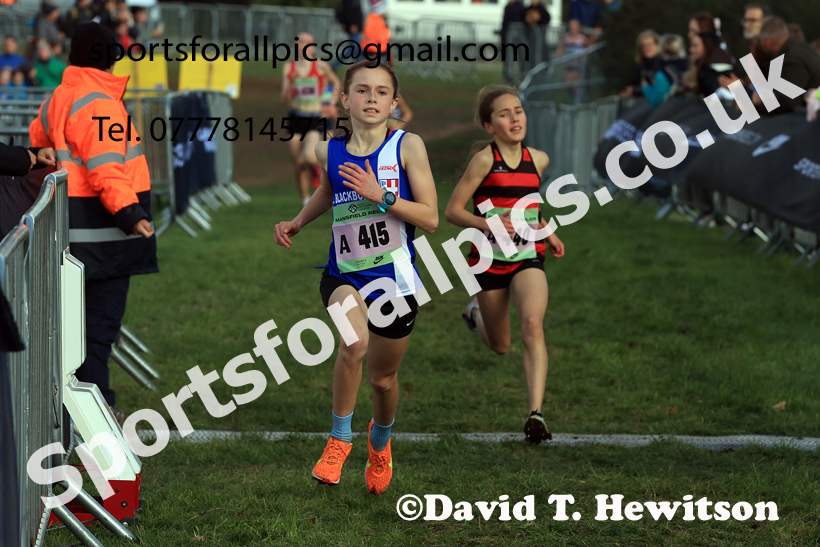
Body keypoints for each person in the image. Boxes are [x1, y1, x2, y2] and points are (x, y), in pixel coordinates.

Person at [273, 61, 438, 495]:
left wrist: (380, 195)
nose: (371, 98)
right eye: (362, 90)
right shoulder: (327, 150)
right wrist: (297, 221)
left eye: (382, 92)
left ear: (394, 103)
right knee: (353, 343)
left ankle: (380, 442)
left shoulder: (408, 146)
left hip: (395, 282)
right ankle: (339, 440)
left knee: (383, 380)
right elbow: (329, 190)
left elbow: (431, 218)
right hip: (343, 274)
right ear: (344, 99)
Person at [28, 22, 158, 423]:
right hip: (106, 241)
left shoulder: (59, 96)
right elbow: (106, 169)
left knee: (74, 335)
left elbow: (38, 140)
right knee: (97, 334)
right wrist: (131, 214)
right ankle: (97, 423)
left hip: (68, 235)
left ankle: (75, 418)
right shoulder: (100, 102)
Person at [444, 85, 565, 444]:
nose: (514, 118)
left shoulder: (538, 159)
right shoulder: (484, 161)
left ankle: (535, 413)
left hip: (528, 255)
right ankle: (475, 314)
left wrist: (548, 232)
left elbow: (530, 205)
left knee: (532, 324)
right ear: (489, 126)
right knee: (500, 345)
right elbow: (453, 211)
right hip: (488, 258)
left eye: (518, 111)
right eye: (504, 113)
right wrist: (488, 223)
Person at [281, 32, 341, 207]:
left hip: (315, 117)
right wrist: (291, 83)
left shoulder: (321, 66)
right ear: (295, 46)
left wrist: (330, 102)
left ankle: (316, 168)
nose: (303, 46)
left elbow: (336, 83)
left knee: (308, 157)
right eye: (300, 42)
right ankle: (305, 200)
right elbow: (285, 99)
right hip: (295, 117)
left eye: (307, 42)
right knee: (298, 165)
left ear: (313, 47)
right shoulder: (289, 67)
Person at [749, 17, 820, 115]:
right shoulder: (800, 49)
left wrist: (760, 103)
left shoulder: (792, 60)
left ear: (767, 42)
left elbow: (787, 102)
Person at [641, 34, 688, 107]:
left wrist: (646, 88)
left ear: (662, 51)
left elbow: (658, 102)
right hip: (693, 109)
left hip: (673, 111)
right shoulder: (690, 66)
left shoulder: (661, 73)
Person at [619, 30, 662, 98]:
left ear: (657, 45)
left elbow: (656, 86)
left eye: (649, 44)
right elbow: (636, 82)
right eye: (643, 45)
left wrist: (636, 90)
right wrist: (630, 90)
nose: (646, 48)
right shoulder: (642, 65)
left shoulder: (662, 63)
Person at [500, 0, 526, 82]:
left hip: (519, 33)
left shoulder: (520, 6)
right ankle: (508, 75)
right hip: (508, 33)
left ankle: (522, 75)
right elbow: (505, 22)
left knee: (522, 54)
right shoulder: (508, 6)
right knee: (509, 55)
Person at [334, 0, 363, 67]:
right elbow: (348, 12)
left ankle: (360, 66)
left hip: (357, 28)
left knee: (355, 49)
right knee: (354, 49)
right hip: (354, 28)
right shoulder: (349, 1)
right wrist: (352, 24)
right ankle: (334, 66)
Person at [362, 0, 390, 65]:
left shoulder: (371, 19)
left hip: (372, 49)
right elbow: (379, 37)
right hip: (376, 50)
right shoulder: (376, 21)